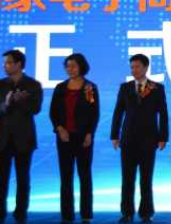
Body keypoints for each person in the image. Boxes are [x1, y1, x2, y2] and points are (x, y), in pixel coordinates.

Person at [111, 54, 168, 223]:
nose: (134, 70)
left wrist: (163, 137)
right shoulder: (125, 87)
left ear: (145, 67)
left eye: (137, 66)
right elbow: (118, 112)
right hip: (128, 139)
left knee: (146, 178)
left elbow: (163, 114)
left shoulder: (157, 88)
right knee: (127, 178)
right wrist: (114, 135)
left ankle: (146, 213)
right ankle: (127, 212)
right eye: (132, 67)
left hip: (149, 139)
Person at [0, 50, 43, 224]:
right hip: (2, 138)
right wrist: (6, 103)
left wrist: (20, 100)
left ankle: (20, 214)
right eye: (4, 63)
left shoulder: (33, 84)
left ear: (18, 64)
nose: (4, 65)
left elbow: (36, 109)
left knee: (23, 179)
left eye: (8, 62)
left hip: (24, 138)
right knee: (1, 179)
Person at [49, 53, 100, 223]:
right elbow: (53, 112)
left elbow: (94, 113)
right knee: (66, 177)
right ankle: (67, 215)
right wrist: (59, 129)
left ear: (81, 67)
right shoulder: (60, 88)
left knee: (85, 176)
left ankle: (86, 215)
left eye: (74, 66)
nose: (70, 69)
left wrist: (89, 133)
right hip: (64, 138)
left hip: (83, 138)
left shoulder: (89, 88)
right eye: (67, 66)